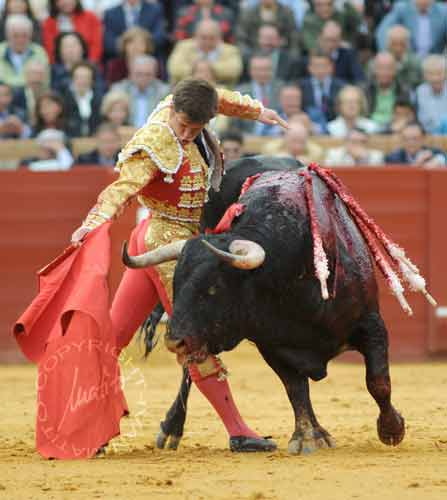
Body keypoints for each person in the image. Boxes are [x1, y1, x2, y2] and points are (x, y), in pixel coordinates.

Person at [70, 78, 288, 452]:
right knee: (193, 338)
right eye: (182, 123)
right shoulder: (156, 140)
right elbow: (121, 189)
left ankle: (84, 427)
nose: (185, 134)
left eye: (195, 128)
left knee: (114, 336)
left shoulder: (190, 105)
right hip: (164, 245)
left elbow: (218, 97)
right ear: (172, 110)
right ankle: (238, 430)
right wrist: (92, 224)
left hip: (167, 241)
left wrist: (256, 112)